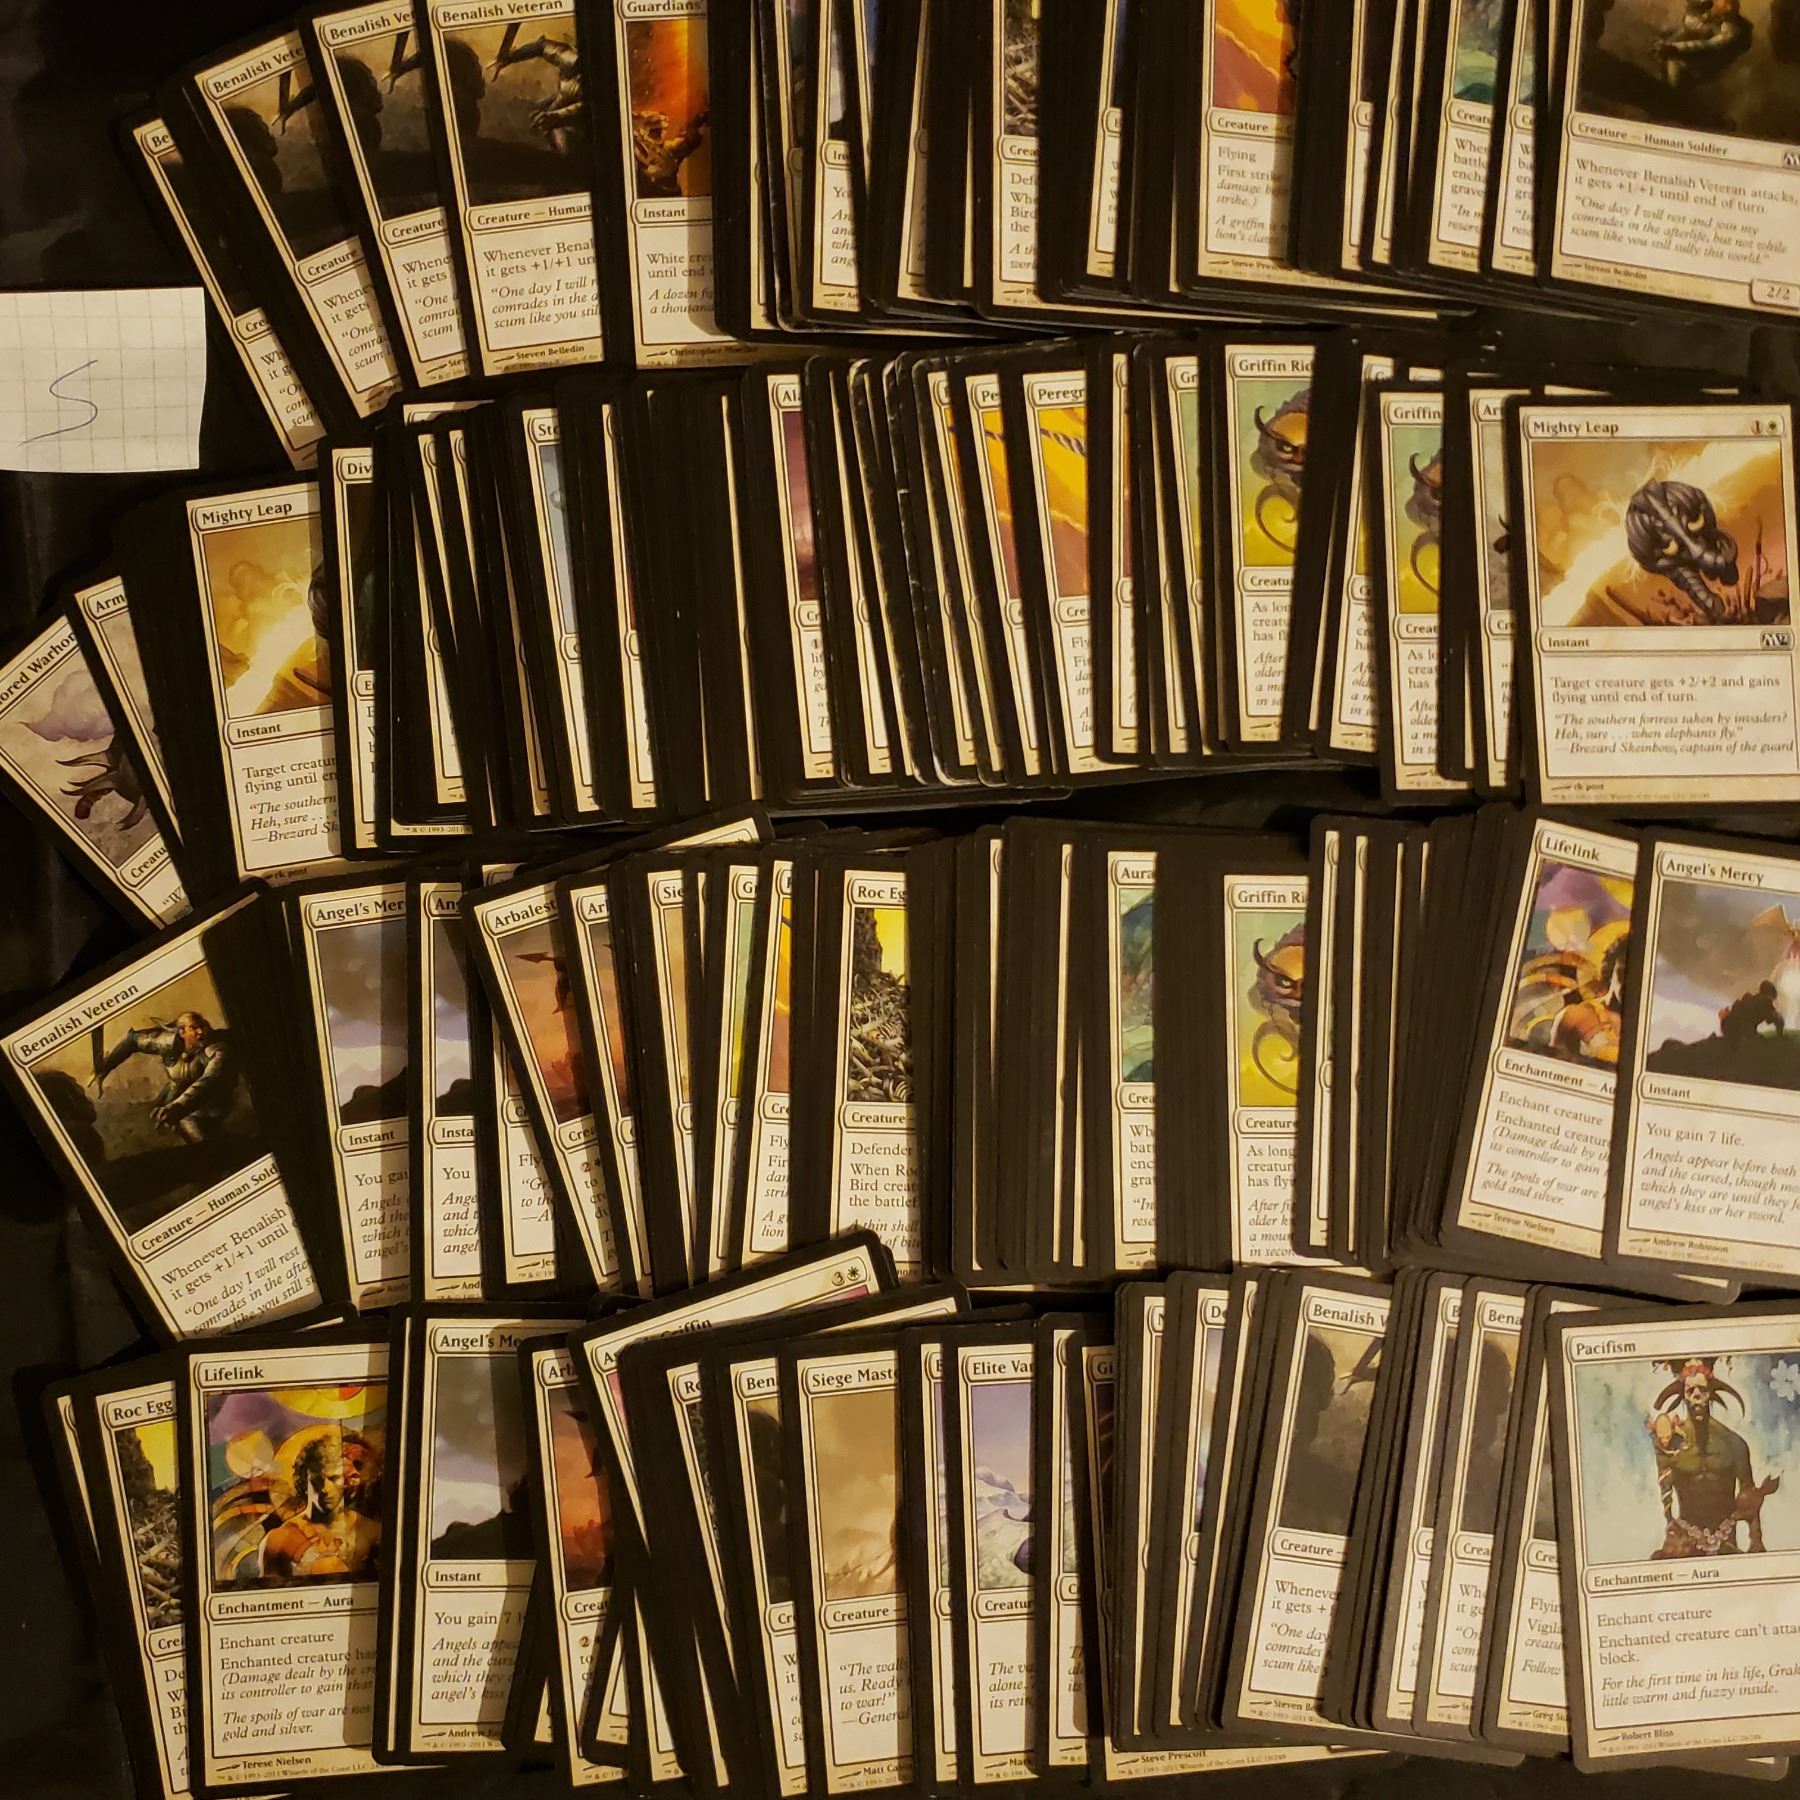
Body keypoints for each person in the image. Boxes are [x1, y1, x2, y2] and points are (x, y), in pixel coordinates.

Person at [92, 1011, 239, 1145]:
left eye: (202, 1026)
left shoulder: (218, 1050)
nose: (200, 1032)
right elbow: (133, 1040)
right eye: (194, 1028)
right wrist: (104, 1069)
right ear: (182, 1032)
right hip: (173, 1098)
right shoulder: (168, 1042)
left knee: (202, 1141)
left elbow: (209, 1081)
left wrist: (178, 1106)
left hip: (209, 1105)